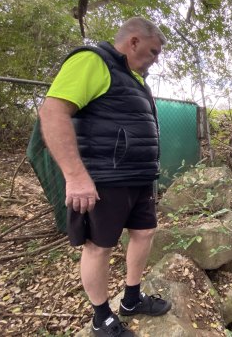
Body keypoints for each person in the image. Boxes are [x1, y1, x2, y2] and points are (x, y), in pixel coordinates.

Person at [39, 17, 171, 337]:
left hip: (139, 177)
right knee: (99, 246)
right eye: (153, 51)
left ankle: (131, 298)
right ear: (134, 42)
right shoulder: (92, 61)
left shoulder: (136, 80)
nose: (155, 59)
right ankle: (102, 317)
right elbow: (53, 112)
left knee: (144, 233)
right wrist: (76, 176)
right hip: (104, 178)